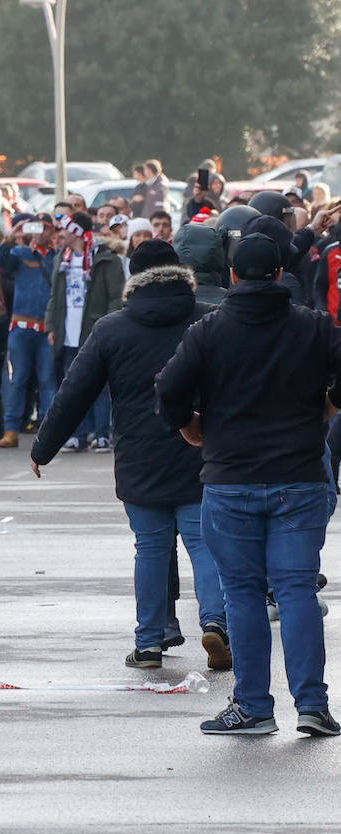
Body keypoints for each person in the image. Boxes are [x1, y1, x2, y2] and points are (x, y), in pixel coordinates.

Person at [156, 231, 341, 737]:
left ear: (233, 275)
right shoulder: (314, 326)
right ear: (282, 273)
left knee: (242, 595)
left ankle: (255, 707)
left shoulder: (209, 329)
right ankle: (312, 705)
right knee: (297, 591)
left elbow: (168, 387)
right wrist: (327, 407)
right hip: (298, 476)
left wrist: (191, 425)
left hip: (230, 477)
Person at [33, 240, 228, 670]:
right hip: (200, 450)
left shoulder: (111, 328)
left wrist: (43, 449)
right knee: (205, 546)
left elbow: (74, 393)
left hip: (140, 457)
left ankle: (149, 642)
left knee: (151, 549)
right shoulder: (207, 320)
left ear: (132, 277)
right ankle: (217, 624)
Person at [45, 212, 123, 452]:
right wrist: (51, 325)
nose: (60, 233)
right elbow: (54, 296)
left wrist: (108, 325)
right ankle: (77, 434)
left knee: (98, 385)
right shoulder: (62, 259)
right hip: (68, 331)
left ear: (77, 231)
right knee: (73, 386)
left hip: (93, 329)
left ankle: (101, 433)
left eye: (64, 229)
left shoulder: (105, 259)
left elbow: (115, 297)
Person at [0, 214, 58, 448]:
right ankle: (11, 430)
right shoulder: (20, 253)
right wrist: (9, 239)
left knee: (48, 379)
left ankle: (48, 429)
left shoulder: (57, 255)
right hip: (21, 327)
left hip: (46, 328)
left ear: (52, 231)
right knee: (17, 379)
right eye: (36, 227)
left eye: (45, 228)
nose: (39, 232)